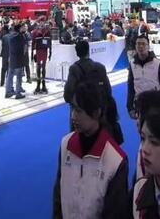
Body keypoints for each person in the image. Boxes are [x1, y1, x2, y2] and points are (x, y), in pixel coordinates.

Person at [53, 81, 129, 219]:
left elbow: (116, 213)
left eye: (79, 111)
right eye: (72, 108)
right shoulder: (66, 145)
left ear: (96, 113)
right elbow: (58, 197)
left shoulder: (116, 160)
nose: (73, 116)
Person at [63, 39, 122, 143]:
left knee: (78, 142)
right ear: (88, 51)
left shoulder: (74, 69)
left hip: (81, 113)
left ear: (77, 53)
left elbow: (67, 95)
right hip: (99, 112)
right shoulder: (100, 67)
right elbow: (108, 91)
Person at [127, 35, 160, 120]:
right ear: (135, 46)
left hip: (156, 104)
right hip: (140, 104)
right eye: (138, 44)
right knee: (142, 127)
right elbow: (131, 86)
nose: (140, 46)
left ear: (148, 46)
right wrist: (130, 107)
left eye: (143, 44)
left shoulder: (158, 63)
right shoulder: (132, 64)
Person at [5, 23, 26, 99]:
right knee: (18, 76)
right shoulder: (21, 36)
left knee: (10, 75)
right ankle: (18, 93)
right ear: (19, 28)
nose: (24, 28)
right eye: (23, 27)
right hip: (19, 58)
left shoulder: (10, 36)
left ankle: (8, 91)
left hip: (12, 58)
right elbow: (23, 48)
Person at [32, 20, 53, 94]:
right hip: (38, 51)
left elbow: (50, 42)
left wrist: (50, 52)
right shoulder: (35, 31)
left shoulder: (47, 31)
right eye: (40, 21)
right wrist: (32, 53)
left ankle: (43, 85)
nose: (41, 23)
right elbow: (33, 42)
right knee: (38, 67)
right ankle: (38, 85)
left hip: (44, 51)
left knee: (43, 67)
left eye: (43, 22)